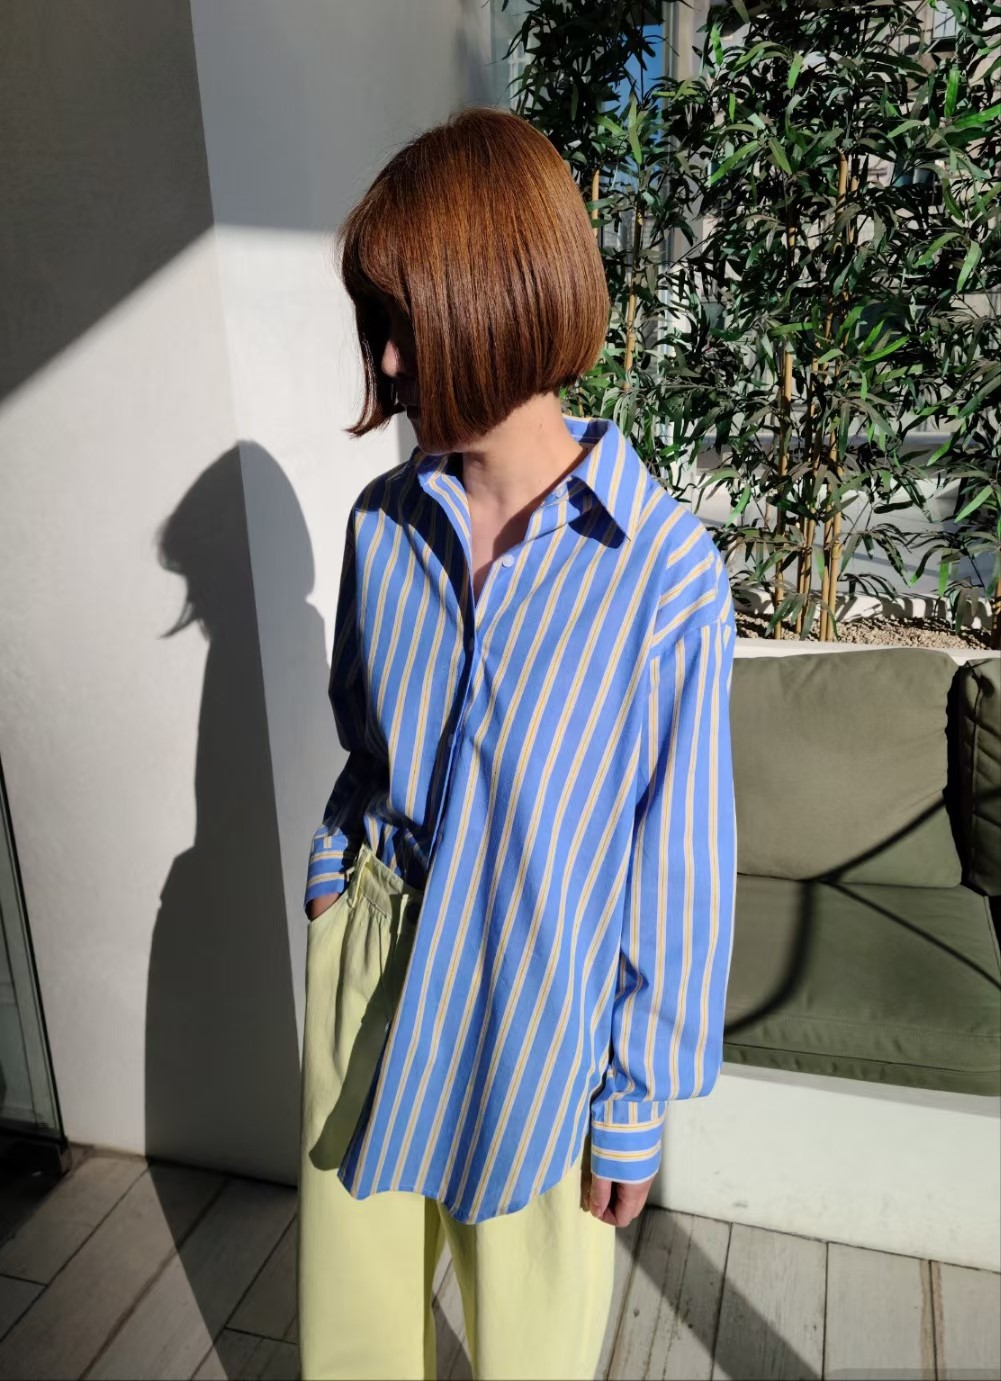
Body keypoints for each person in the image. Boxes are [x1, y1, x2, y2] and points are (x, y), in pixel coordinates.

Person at [296, 105, 737, 1381]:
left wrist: (633, 1100)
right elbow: (364, 739)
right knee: (353, 1336)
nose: (385, 359)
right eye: (376, 323)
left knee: (530, 1352)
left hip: (540, 1011)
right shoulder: (381, 525)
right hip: (373, 966)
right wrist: (333, 876)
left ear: (498, 302)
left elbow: (676, 867)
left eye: (405, 320)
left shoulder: (662, 575)